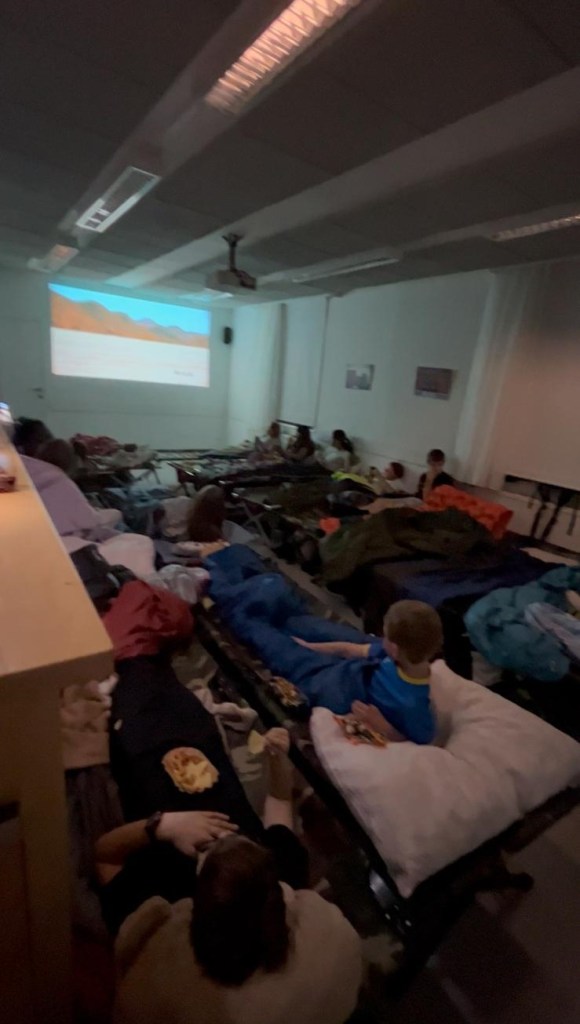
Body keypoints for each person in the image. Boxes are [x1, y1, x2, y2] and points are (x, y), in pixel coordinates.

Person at [98, 724, 362, 1024]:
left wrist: (162, 825)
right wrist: (278, 762)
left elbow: (105, 857)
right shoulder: (297, 898)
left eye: (208, 850)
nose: (223, 837)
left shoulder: (156, 967)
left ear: (196, 903)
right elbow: (279, 810)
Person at [296, 600, 442, 745]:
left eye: (385, 636)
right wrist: (310, 646)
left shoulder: (413, 706)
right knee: (308, 627)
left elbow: (420, 743)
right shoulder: (399, 656)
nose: (382, 640)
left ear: (394, 649)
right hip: (355, 668)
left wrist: (383, 726)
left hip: (343, 686)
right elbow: (351, 650)